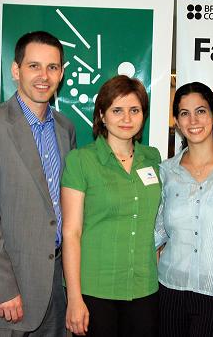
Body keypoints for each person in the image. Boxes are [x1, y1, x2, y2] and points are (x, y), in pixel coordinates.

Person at [0, 31, 76, 337]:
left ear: (62, 73)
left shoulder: (65, 128)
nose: (44, 76)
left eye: (52, 67)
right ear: (16, 70)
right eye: (34, 66)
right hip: (7, 293)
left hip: (55, 286)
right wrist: (2, 288)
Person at [61, 75, 161, 337]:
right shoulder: (81, 161)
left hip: (144, 288)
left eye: (134, 110)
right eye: (117, 110)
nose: (127, 118)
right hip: (95, 290)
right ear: (102, 115)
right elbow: (71, 233)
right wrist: (74, 298)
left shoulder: (152, 158)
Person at [155, 82, 213, 337]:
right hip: (169, 289)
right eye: (184, 113)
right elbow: (157, 231)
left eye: (201, 111)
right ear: (176, 121)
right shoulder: (167, 171)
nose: (193, 120)